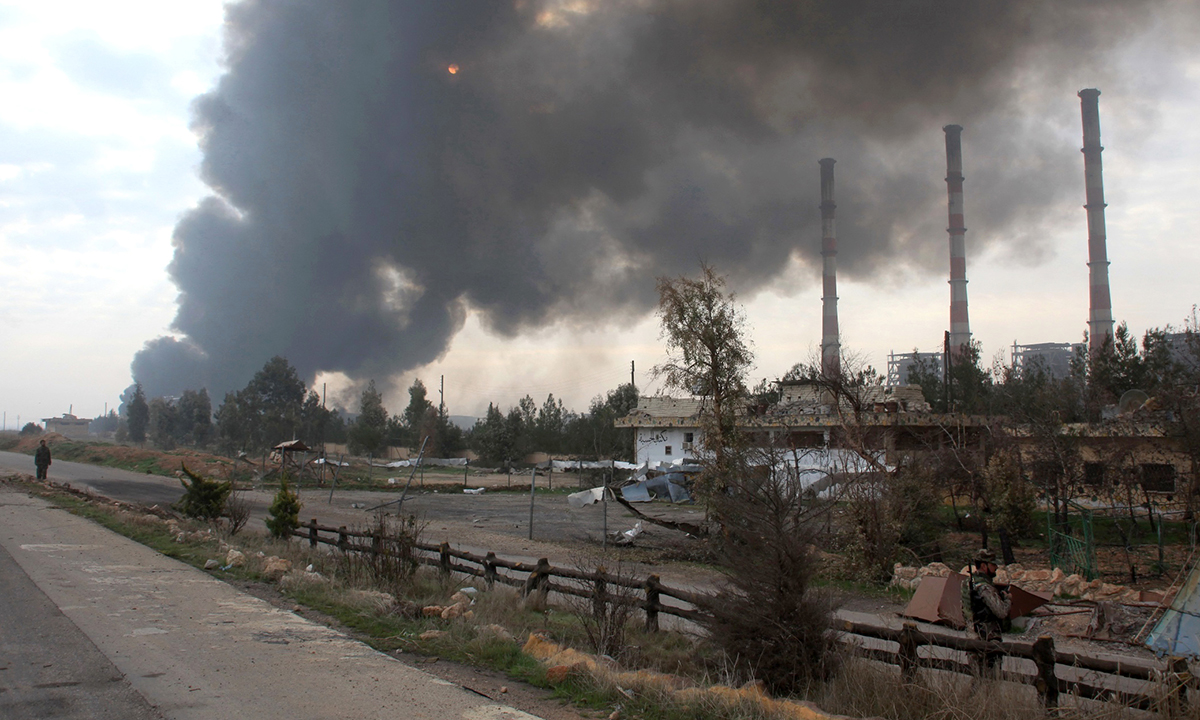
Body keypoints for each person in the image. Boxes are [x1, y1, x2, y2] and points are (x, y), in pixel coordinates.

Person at [968, 548, 1011, 673]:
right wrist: (1008, 600)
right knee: (990, 677)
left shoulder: (969, 583)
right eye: (993, 565)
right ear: (983, 565)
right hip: (988, 637)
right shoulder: (985, 588)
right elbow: (1001, 612)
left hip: (973, 635)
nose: (996, 568)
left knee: (978, 677)